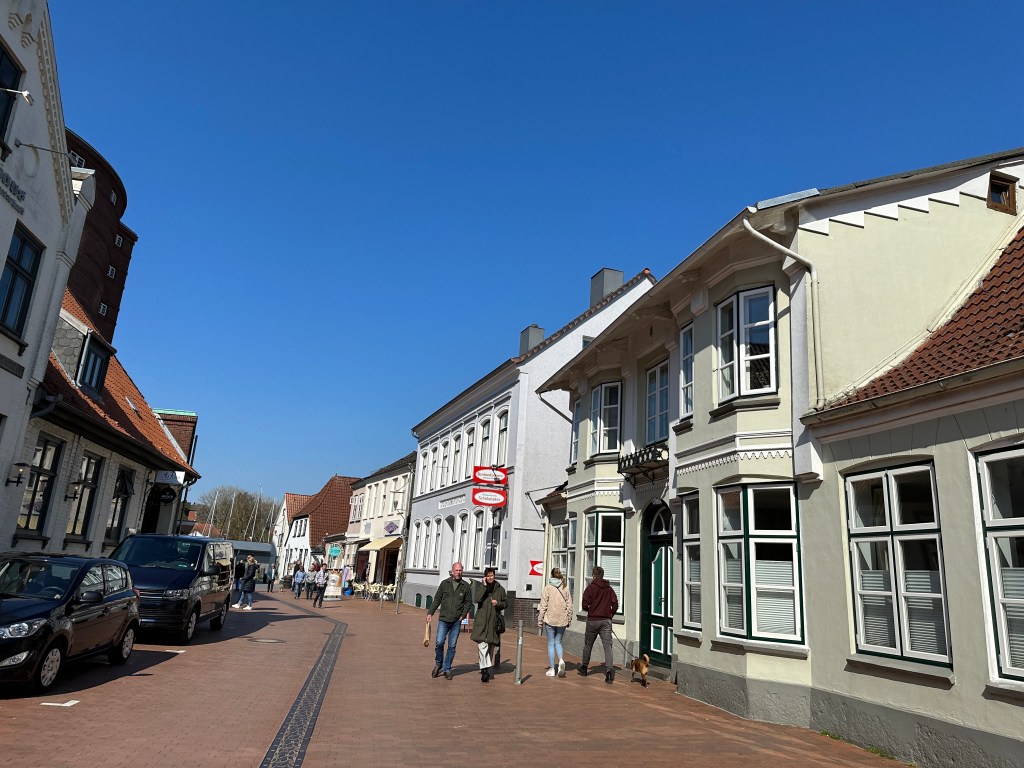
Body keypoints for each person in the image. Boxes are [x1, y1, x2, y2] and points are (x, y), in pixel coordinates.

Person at [425, 562, 473, 680]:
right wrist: (430, 613)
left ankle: (447, 669)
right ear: (452, 571)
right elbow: (437, 599)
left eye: (460, 570)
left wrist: (462, 616)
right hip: (444, 619)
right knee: (439, 642)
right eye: (456, 570)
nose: (458, 572)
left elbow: (468, 603)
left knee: (452, 646)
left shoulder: (465, 586)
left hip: (456, 621)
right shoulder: (444, 584)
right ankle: (438, 664)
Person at [578, 565, 618, 684]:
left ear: (593, 575)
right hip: (606, 621)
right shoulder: (609, 589)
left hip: (593, 620)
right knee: (607, 647)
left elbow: (584, 605)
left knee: (588, 644)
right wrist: (610, 614)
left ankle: (584, 668)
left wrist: (590, 609)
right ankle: (609, 673)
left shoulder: (590, 588)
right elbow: (615, 603)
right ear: (602, 575)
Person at [471, 567, 507, 683]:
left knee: (490, 646)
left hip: (493, 622)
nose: (490, 577)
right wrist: (484, 586)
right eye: (488, 576)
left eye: (492, 575)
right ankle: (485, 671)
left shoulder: (500, 589)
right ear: (485, 577)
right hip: (481, 622)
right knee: (482, 646)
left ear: (494, 576)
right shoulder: (481, 587)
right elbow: (477, 599)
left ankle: (484, 668)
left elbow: (505, 603)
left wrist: (498, 603)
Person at [537, 566, 573, 678]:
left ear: (552, 575)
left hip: (550, 619)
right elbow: (569, 605)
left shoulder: (548, 588)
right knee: (558, 641)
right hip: (562, 620)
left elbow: (543, 605)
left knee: (550, 643)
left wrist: (540, 620)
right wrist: (569, 618)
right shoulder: (565, 588)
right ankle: (561, 660)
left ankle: (552, 669)